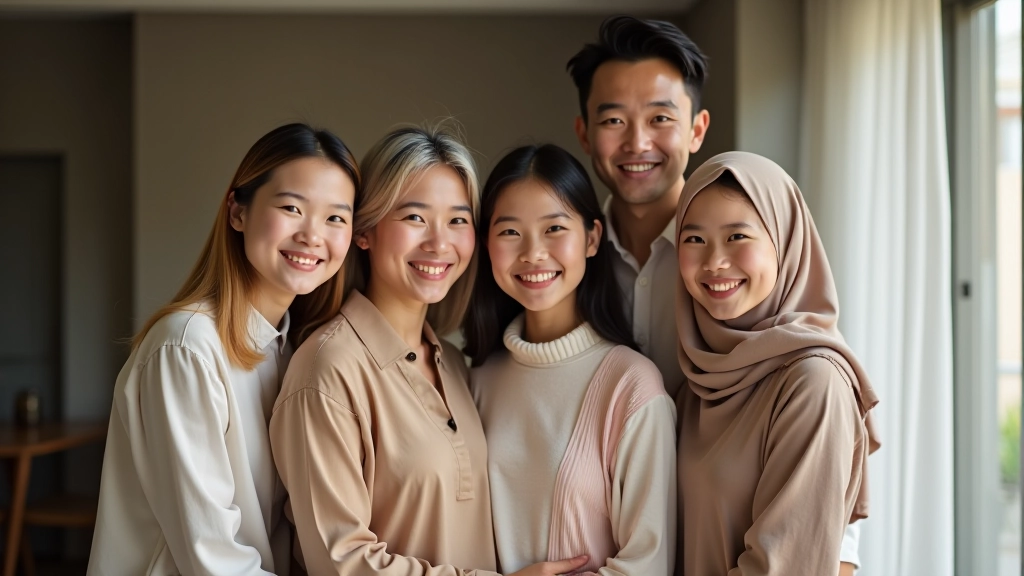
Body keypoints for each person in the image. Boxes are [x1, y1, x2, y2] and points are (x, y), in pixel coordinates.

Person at [567, 16, 863, 573]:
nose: (637, 142)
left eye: (660, 118)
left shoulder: (748, 287)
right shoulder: (562, 266)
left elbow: (813, 511)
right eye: (613, 120)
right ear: (584, 132)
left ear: (698, 129)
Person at [269, 126, 587, 576]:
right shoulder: (328, 369)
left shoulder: (454, 364)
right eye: (415, 218)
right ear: (365, 231)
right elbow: (339, 562)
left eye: (458, 220)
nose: (440, 244)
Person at [89, 123, 360, 576]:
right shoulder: (186, 347)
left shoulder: (294, 351)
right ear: (237, 211)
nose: (313, 235)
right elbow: (213, 557)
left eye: (336, 217)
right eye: (292, 207)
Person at [464, 144, 676, 575]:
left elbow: (648, 565)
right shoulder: (475, 380)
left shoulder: (631, 386)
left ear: (592, 238)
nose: (533, 253)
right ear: (486, 244)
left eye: (554, 228)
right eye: (509, 232)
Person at [673, 151, 879, 575]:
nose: (714, 262)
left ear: (785, 242)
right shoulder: (699, 377)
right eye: (694, 239)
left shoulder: (814, 382)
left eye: (738, 237)